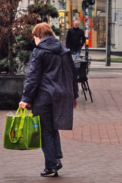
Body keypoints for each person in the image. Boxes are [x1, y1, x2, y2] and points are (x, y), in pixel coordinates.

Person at [19, 23, 79, 178]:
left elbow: (33, 77)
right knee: (53, 128)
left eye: (34, 37)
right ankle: (56, 158)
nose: (34, 40)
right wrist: (74, 95)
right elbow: (72, 74)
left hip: (44, 95)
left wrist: (25, 98)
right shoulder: (64, 51)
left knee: (44, 130)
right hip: (62, 95)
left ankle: (51, 166)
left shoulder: (39, 52)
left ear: (38, 35)